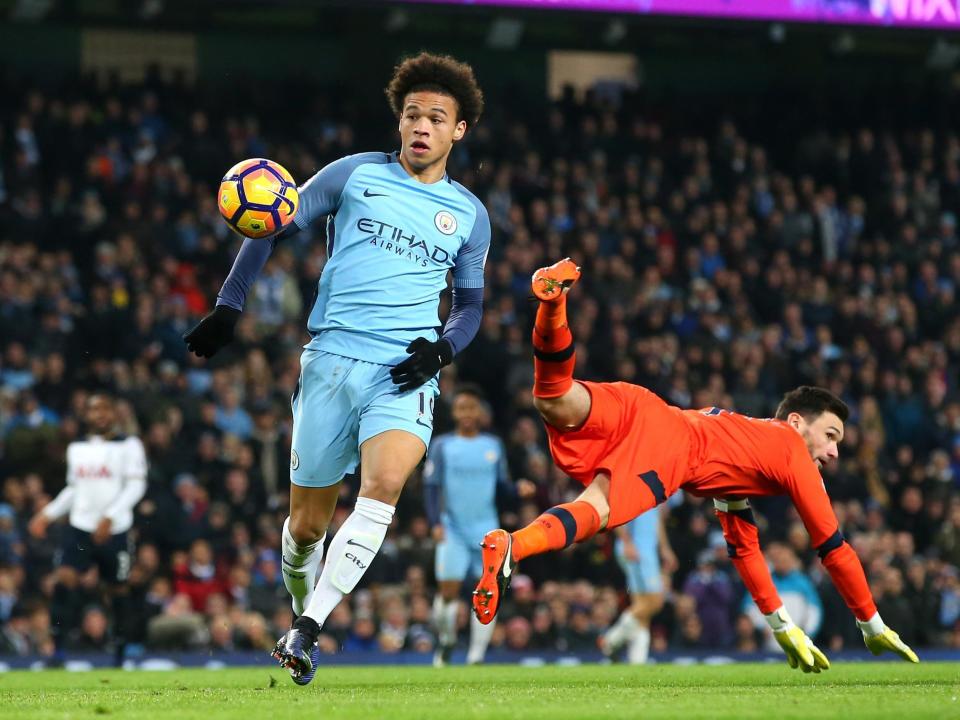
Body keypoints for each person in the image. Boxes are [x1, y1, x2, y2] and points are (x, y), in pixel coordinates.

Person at [183, 52, 489, 685]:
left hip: (404, 371)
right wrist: (229, 308)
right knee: (305, 528)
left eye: (436, 117)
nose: (421, 127)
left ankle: (309, 627)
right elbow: (271, 223)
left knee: (383, 489)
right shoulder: (353, 175)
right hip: (329, 360)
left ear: (459, 130)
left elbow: (471, 305)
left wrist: (443, 350)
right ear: (399, 122)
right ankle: (302, 605)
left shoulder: (469, 215)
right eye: (412, 115)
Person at [473, 259, 919, 672]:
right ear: (797, 422)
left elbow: (743, 546)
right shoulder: (788, 449)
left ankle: (553, 305)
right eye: (831, 436)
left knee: (554, 398)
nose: (835, 451)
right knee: (599, 509)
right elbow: (832, 547)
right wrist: (871, 624)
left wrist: (782, 625)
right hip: (670, 448)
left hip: (645, 407)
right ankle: (515, 546)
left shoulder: (749, 445)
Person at [28, 393, 147, 666]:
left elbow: (136, 486)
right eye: (94, 409)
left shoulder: (129, 445)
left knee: (117, 590)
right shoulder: (77, 448)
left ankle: (120, 655)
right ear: (87, 415)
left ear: (114, 413)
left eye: (105, 407)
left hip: (115, 529)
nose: (100, 414)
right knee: (64, 579)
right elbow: (74, 489)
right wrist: (46, 514)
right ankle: (57, 652)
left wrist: (110, 516)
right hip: (80, 527)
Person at [423, 384, 533, 666]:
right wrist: (435, 522)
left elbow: (501, 486)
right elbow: (432, 487)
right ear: (454, 412)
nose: (467, 413)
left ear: (480, 412)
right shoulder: (442, 446)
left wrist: (517, 489)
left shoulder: (493, 446)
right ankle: (446, 641)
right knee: (448, 591)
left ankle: (476, 656)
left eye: (472, 407)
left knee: (488, 590)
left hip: (487, 530)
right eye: (461, 407)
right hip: (453, 529)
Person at [599, 505, 676, 664]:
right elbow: (617, 512)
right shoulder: (632, 482)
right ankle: (610, 640)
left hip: (647, 550)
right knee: (655, 601)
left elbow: (657, 519)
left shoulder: (656, 484)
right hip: (637, 548)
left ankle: (637, 660)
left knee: (642, 606)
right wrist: (626, 542)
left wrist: (664, 548)